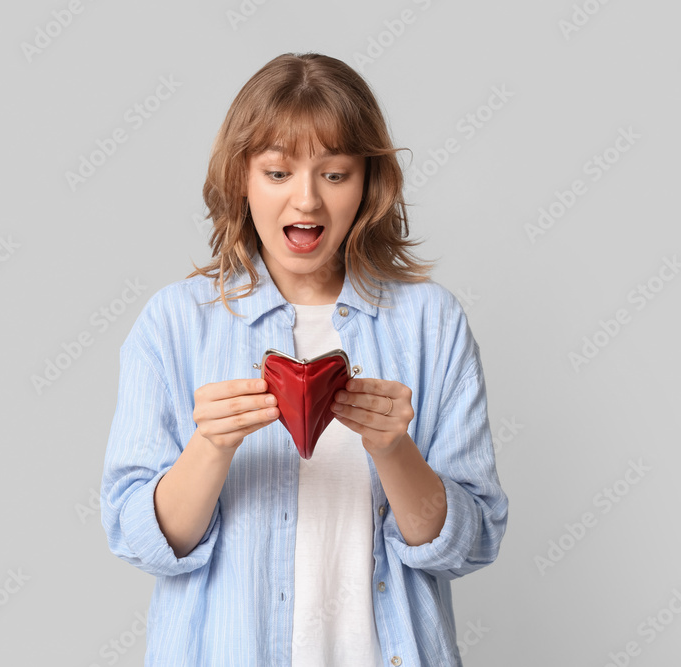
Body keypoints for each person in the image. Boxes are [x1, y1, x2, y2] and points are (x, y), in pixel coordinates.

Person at [100, 52, 508, 666]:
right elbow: (140, 541)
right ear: (242, 178)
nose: (307, 199)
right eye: (277, 172)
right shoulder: (175, 323)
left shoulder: (432, 322)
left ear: (368, 182)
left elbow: (470, 545)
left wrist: (394, 450)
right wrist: (210, 446)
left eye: (335, 174)